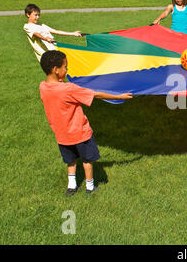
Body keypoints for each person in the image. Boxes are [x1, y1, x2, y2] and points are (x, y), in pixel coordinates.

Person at [39, 50, 133, 195]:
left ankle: (71, 186)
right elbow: (95, 94)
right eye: (65, 67)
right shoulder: (68, 89)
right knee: (87, 161)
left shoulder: (43, 87)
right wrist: (118, 96)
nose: (67, 70)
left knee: (70, 161)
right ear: (55, 70)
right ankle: (90, 187)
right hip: (80, 133)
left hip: (62, 135)